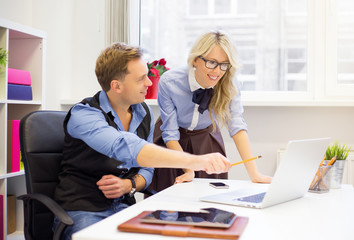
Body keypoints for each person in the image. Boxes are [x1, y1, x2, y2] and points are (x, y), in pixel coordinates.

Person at [52, 42, 230, 240]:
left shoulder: (142, 112)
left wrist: (128, 185)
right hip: (82, 208)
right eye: (141, 79)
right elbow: (125, 147)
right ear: (116, 85)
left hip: (123, 206)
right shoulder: (84, 115)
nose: (149, 83)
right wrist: (195, 161)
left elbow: (147, 169)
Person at [149, 31, 272, 193]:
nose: (217, 71)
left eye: (224, 64)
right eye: (212, 62)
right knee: (167, 202)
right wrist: (188, 169)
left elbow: (236, 125)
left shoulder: (230, 84)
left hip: (206, 139)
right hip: (172, 144)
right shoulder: (170, 82)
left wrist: (254, 173)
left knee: (211, 201)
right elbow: (170, 133)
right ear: (195, 60)